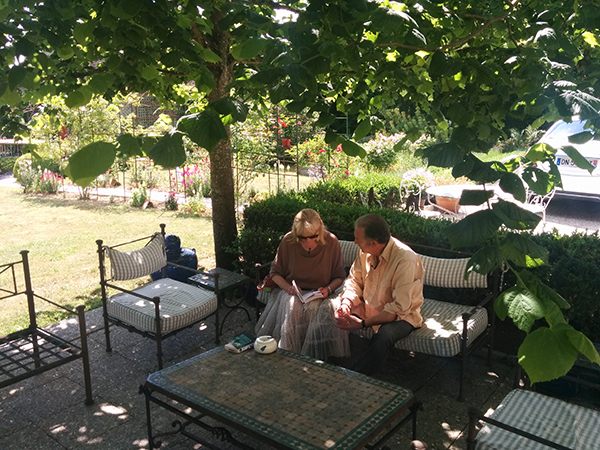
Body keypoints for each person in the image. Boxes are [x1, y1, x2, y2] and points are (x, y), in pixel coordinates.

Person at [334, 213, 424, 375]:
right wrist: (346, 303)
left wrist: (362, 324)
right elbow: (354, 281)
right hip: (369, 307)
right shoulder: (365, 251)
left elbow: (398, 308)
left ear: (373, 243)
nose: (355, 243)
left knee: (384, 336)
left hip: (401, 316)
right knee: (332, 310)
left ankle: (354, 376)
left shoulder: (405, 259)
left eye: (358, 240)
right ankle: (328, 362)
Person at [255, 208, 350, 360]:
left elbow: (339, 276)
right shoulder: (288, 241)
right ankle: (289, 353)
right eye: (302, 237)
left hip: (321, 292)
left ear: (320, 227)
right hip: (292, 290)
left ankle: (310, 356)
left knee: (313, 308)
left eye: (312, 236)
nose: (307, 241)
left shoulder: (331, 242)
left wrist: (328, 289)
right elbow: (275, 273)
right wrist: (288, 288)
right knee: (294, 308)